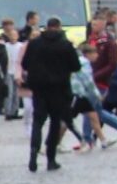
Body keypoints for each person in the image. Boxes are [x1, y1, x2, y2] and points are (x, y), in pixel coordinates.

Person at [22, 17, 82, 174]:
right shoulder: (65, 45)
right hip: (59, 89)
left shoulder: (35, 44)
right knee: (55, 123)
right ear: (59, 27)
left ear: (46, 27)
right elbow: (76, 66)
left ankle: (33, 153)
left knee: (38, 121)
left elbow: (25, 64)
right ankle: (50, 159)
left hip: (39, 89)